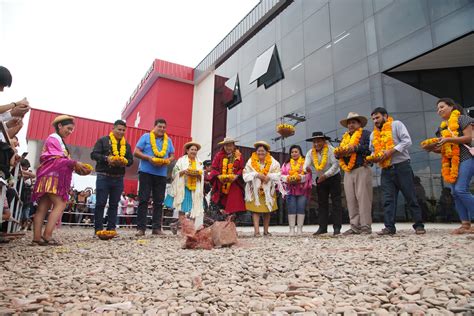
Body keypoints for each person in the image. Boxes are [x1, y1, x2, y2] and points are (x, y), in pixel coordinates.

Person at [31, 115, 91, 245]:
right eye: (68, 128)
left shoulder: (57, 140)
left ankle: (37, 237)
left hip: (47, 175)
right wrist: (74, 163)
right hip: (52, 177)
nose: (70, 132)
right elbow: (56, 158)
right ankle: (47, 235)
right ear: (59, 126)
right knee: (61, 204)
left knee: (43, 207)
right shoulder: (54, 139)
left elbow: (60, 160)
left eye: (71, 130)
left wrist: (75, 165)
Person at [368, 107, 425, 235]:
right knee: (388, 199)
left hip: (402, 166)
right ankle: (389, 227)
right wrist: (375, 156)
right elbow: (372, 150)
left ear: (385, 116)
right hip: (386, 170)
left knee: (410, 196)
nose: (375, 121)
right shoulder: (373, 135)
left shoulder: (396, 125)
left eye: (377, 117)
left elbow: (407, 141)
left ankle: (419, 225)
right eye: (373, 119)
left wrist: (390, 151)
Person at [422, 98, 473, 234]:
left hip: (466, 157)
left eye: (442, 107)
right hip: (451, 163)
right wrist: (431, 148)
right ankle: (465, 224)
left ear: (451, 106)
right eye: (438, 109)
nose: (439, 110)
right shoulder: (442, 127)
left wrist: (449, 139)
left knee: (461, 189)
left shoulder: (463, 119)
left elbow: (468, 138)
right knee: (455, 193)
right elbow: (442, 147)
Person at [91, 119, 133, 233]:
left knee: (114, 205)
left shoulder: (127, 146)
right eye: (119, 129)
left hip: (118, 178)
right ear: (113, 128)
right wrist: (107, 158)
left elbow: (130, 161)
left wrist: (124, 161)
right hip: (103, 176)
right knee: (101, 203)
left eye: (123, 130)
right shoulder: (103, 141)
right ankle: (98, 229)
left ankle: (111, 228)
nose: (121, 132)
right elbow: (94, 154)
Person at [134, 118, 175, 236]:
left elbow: (172, 155)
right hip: (146, 172)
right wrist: (148, 158)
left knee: (159, 201)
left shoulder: (169, 140)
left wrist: (167, 160)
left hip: (161, 174)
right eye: (160, 126)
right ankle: (141, 228)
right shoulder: (146, 137)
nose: (162, 129)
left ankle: (156, 228)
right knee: (143, 200)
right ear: (154, 127)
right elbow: (136, 152)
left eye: (164, 127)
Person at [334, 112, 373, 235]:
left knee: (363, 198)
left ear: (359, 123)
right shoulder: (345, 138)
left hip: (362, 168)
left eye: (353, 122)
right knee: (350, 199)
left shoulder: (366, 134)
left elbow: (370, 148)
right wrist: (337, 154)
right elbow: (339, 153)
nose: (351, 125)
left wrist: (355, 148)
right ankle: (354, 226)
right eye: (349, 123)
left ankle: (366, 226)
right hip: (348, 171)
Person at [304, 132, 342, 236]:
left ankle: (337, 228)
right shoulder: (310, 153)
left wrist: (325, 175)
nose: (316, 143)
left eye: (319, 141)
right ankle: (322, 227)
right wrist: (306, 169)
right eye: (315, 141)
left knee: (336, 202)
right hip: (320, 179)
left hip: (333, 176)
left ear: (324, 141)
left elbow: (336, 165)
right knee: (322, 203)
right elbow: (306, 164)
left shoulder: (331, 150)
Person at [243, 141, 282, 237]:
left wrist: (269, 176)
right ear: (256, 152)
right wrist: (256, 174)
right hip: (255, 190)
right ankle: (256, 232)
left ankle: (266, 231)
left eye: (263, 151)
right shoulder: (250, 161)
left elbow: (278, 174)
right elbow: (245, 174)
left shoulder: (273, 161)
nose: (261, 153)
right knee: (255, 210)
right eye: (259, 151)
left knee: (267, 210)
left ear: (267, 152)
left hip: (268, 190)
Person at [165, 141, 204, 229]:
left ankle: (190, 229)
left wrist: (198, 174)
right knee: (182, 208)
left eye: (195, 150)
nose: (194, 151)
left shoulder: (200, 162)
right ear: (187, 150)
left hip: (195, 188)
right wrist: (183, 172)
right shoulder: (181, 160)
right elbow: (175, 172)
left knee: (194, 208)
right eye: (192, 149)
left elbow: (202, 174)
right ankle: (183, 228)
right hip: (183, 187)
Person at [209, 137, 246, 217]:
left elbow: (242, 168)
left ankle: (232, 221)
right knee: (221, 207)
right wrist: (219, 176)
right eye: (226, 146)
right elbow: (214, 168)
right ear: (223, 146)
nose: (228, 148)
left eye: (230, 145)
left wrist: (236, 176)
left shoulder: (239, 156)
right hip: (221, 183)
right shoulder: (218, 155)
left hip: (234, 184)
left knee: (234, 205)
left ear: (234, 146)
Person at [281, 145, 312, 235]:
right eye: (292, 152)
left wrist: (299, 178)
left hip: (302, 190)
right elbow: (281, 175)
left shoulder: (304, 163)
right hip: (290, 190)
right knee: (291, 208)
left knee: (301, 208)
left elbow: (308, 175)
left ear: (300, 152)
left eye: (296, 152)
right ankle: (291, 229)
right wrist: (288, 178)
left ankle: (299, 229)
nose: (294, 153)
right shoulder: (286, 164)